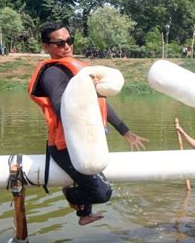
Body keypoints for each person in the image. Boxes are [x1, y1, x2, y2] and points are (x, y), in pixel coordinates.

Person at [28, 22, 148, 226]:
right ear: (46, 47)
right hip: (65, 146)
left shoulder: (79, 71)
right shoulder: (52, 74)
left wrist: (125, 131)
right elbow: (61, 106)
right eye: (59, 43)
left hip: (87, 141)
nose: (67, 47)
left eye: (69, 41)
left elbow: (101, 104)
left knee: (92, 175)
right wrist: (85, 95)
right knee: (103, 193)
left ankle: (84, 214)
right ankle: (71, 193)